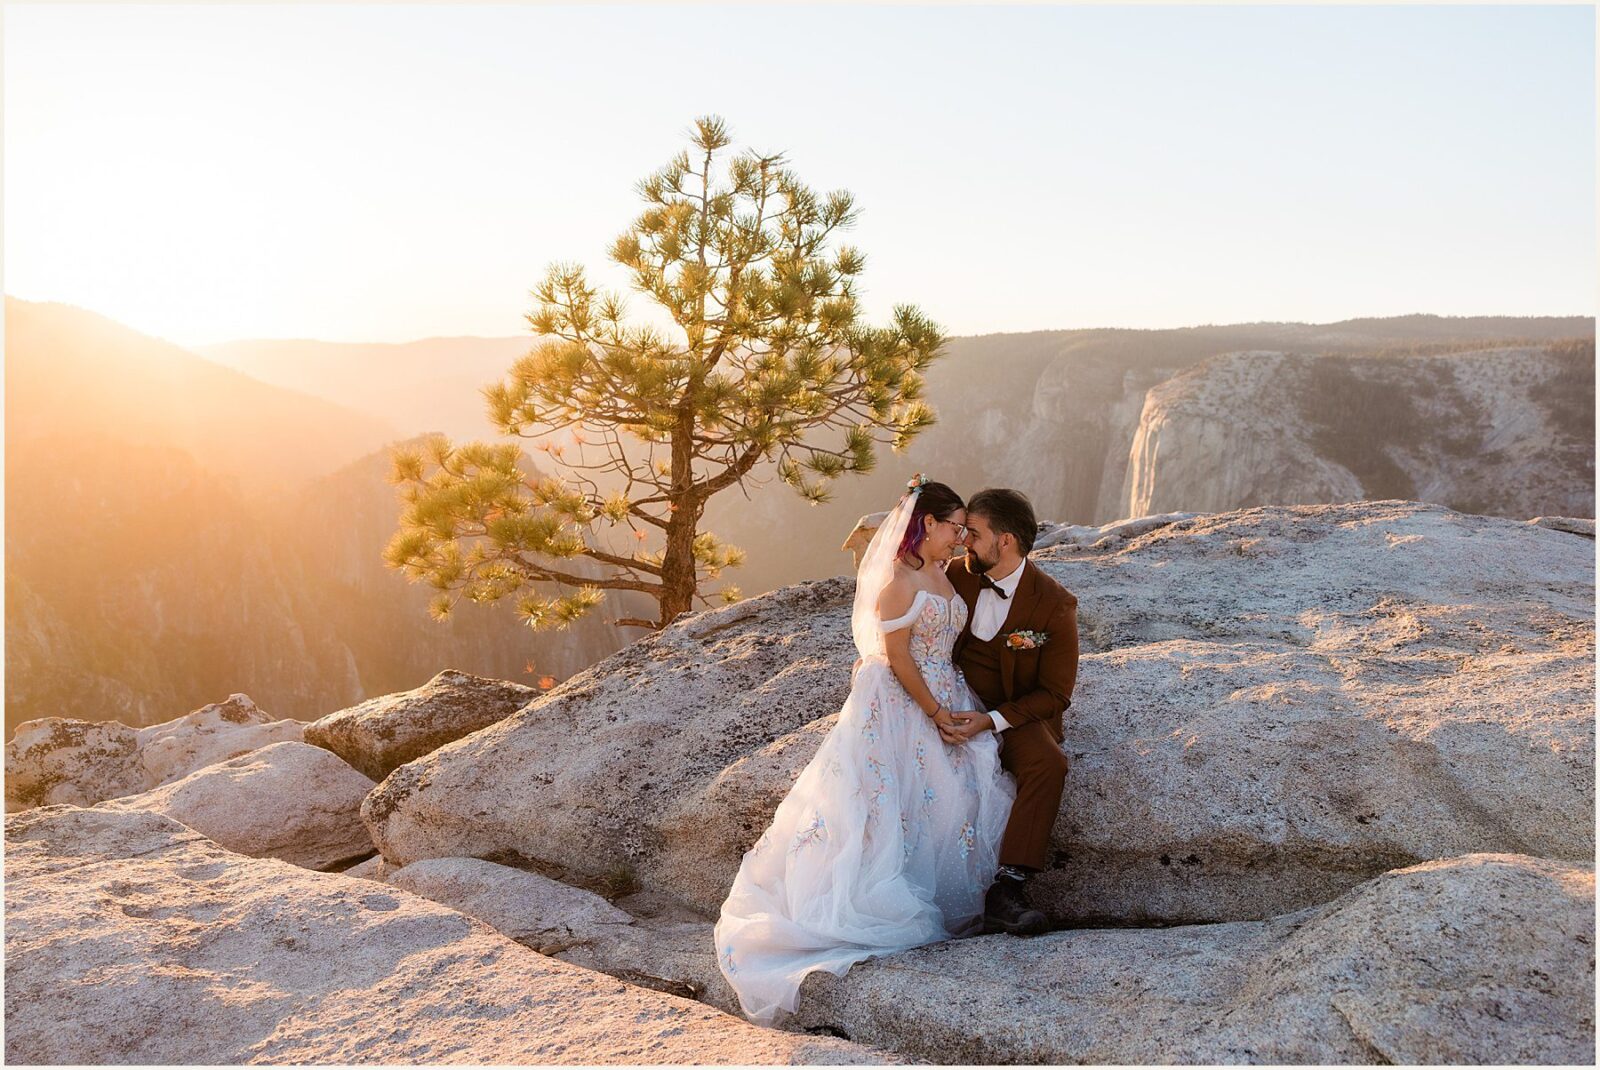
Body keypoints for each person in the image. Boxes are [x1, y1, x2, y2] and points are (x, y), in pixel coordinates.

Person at [713, 475, 1016, 1026]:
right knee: (889, 798)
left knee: (955, 795)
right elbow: (898, 658)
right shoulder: (899, 583)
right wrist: (933, 711)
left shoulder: (943, 572)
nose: (960, 539)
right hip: (905, 701)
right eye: (954, 527)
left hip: (945, 688)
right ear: (927, 523)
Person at [939, 487, 1080, 935]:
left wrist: (993, 721)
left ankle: (1009, 888)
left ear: (1005, 541)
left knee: (1049, 764)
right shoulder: (953, 575)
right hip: (949, 699)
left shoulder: (1055, 604)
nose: (965, 542)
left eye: (974, 534)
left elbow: (1055, 694)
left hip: (1010, 711)